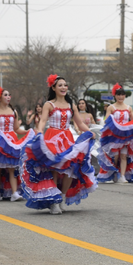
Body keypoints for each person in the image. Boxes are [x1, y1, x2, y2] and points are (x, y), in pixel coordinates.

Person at [20, 74, 97, 214]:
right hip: (52, 137)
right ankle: (54, 201)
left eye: (65, 85)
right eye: (60, 85)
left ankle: (62, 196)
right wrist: (39, 132)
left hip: (67, 138)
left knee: (70, 168)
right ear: (53, 88)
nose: (63, 87)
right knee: (54, 168)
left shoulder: (71, 105)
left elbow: (79, 123)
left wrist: (90, 132)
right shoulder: (49, 104)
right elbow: (43, 121)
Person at [97, 84, 133, 184]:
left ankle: (122, 176)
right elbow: (106, 120)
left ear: (125, 96)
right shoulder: (111, 107)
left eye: (122, 95)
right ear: (115, 96)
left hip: (126, 136)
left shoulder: (129, 108)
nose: (120, 97)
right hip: (114, 136)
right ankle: (115, 171)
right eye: (118, 95)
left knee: (124, 155)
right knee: (115, 156)